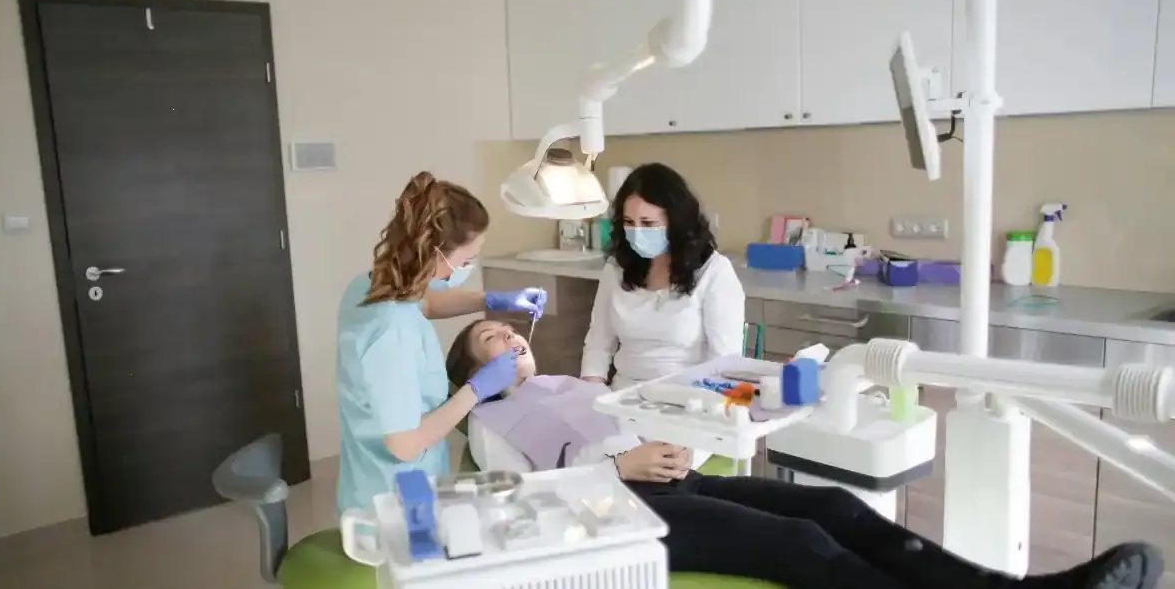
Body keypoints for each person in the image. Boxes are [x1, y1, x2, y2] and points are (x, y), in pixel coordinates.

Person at [447, 318, 1163, 589]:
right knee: (799, 540)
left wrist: (676, 428)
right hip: (615, 513)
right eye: (490, 341)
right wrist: (618, 469)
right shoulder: (489, 419)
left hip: (673, 477)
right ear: (470, 373)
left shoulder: (570, 380)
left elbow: (629, 413)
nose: (510, 340)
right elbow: (523, 500)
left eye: (512, 332)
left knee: (833, 503)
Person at [335, 171, 546, 516]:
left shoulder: (370, 286)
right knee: (416, 563)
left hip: (373, 477)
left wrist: (495, 299)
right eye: (464, 261)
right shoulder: (390, 331)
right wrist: (477, 390)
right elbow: (404, 445)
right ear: (434, 252)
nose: (466, 268)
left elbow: (426, 303)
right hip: (396, 496)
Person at [581, 163, 746, 390]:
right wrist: (589, 395)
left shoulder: (714, 272)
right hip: (623, 396)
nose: (637, 232)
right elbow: (598, 343)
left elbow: (723, 363)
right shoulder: (617, 268)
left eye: (648, 223)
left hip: (688, 399)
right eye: (629, 223)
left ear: (675, 222)